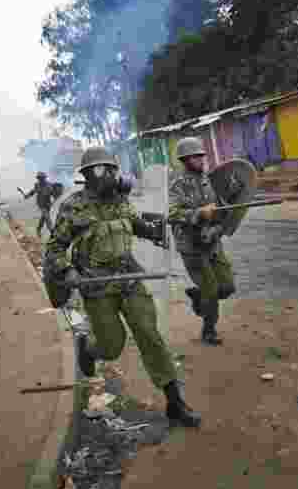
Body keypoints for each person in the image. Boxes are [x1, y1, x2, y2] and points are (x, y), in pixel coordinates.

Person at [44, 146, 200, 427]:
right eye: (103, 170)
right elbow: (55, 248)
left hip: (129, 279)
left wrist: (155, 229)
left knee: (150, 336)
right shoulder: (73, 206)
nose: (111, 176)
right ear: (88, 176)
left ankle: (175, 402)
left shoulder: (122, 200)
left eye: (112, 169)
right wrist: (66, 270)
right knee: (111, 346)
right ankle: (88, 348)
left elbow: (134, 224)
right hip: (97, 286)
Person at [168, 137, 236, 346]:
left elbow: (222, 209)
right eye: (195, 157)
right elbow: (172, 214)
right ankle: (209, 330)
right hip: (192, 246)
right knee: (212, 291)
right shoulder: (177, 185)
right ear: (185, 159)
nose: (200, 159)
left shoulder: (208, 180)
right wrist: (198, 213)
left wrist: (229, 200)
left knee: (227, 286)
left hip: (212, 242)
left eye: (201, 156)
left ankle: (199, 297)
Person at [22, 172, 56, 237]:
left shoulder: (49, 185)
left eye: (42, 178)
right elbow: (33, 191)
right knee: (47, 217)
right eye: (39, 178)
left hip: (48, 204)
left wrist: (55, 197)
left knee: (43, 218)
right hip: (41, 204)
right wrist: (27, 195)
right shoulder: (37, 185)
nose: (40, 179)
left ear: (45, 178)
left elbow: (54, 194)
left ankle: (38, 229)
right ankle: (52, 231)